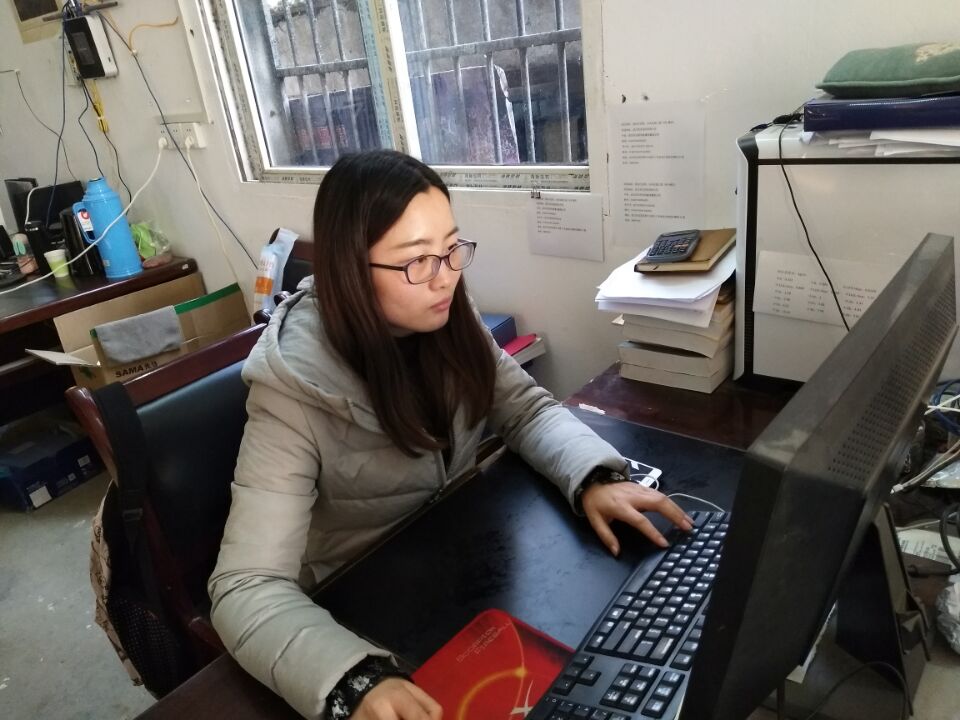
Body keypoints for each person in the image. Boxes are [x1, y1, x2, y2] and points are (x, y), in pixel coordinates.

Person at [208, 150, 693, 720]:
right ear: (349, 269)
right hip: (366, 607)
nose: (447, 276)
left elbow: (525, 410)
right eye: (417, 261)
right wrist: (351, 680)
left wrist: (593, 476)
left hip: (467, 568)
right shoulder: (292, 387)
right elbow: (246, 586)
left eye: (451, 248)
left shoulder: (445, 314)